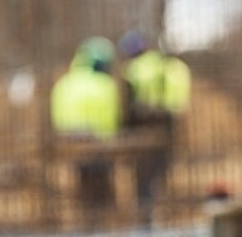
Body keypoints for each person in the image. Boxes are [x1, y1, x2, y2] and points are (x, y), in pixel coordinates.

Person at [118, 30, 191, 225]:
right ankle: (157, 209)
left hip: (145, 123)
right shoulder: (168, 66)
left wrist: (125, 127)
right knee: (159, 168)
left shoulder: (134, 69)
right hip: (168, 122)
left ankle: (147, 211)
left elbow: (129, 103)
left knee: (144, 172)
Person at [50, 37, 122, 219]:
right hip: (99, 141)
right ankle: (100, 217)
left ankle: (87, 217)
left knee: (83, 181)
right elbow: (112, 116)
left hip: (70, 140)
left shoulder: (64, 82)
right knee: (101, 183)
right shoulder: (104, 84)